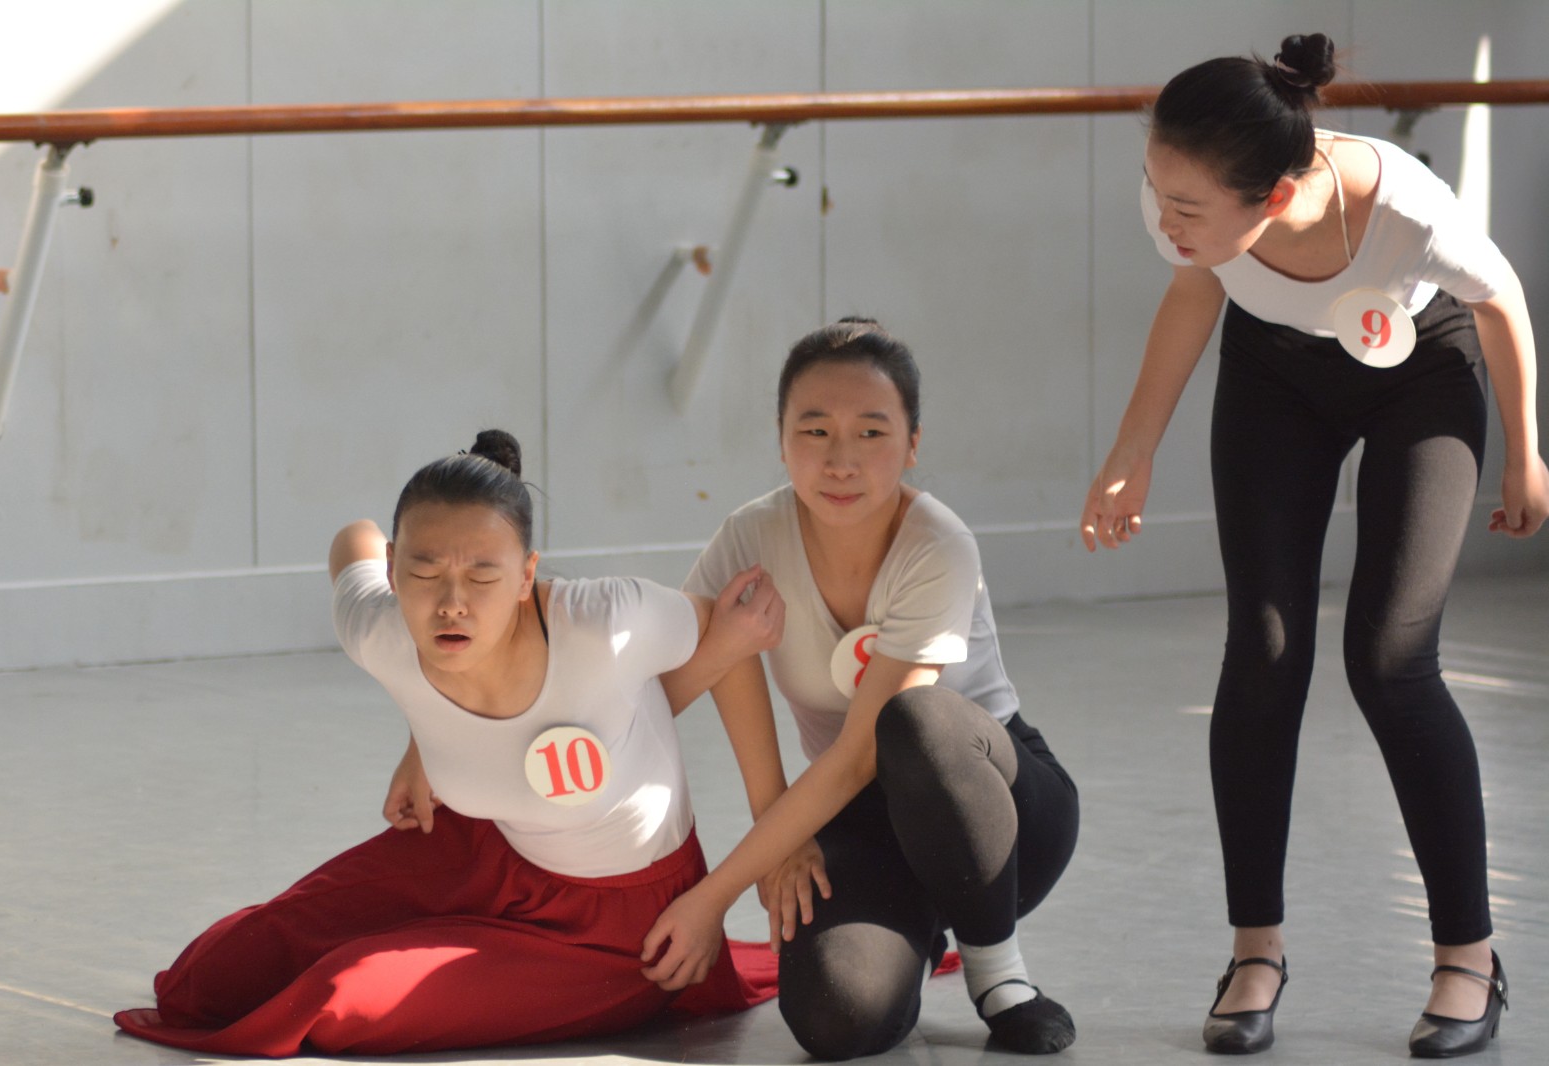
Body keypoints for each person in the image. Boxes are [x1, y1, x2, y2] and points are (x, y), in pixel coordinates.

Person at [1081, 33, 1544, 1058]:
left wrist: (1526, 453)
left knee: (1391, 662)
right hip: (1275, 376)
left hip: (1420, 373)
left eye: (1185, 206)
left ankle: (1468, 959)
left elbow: (1499, 298)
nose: (1163, 218)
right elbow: (1194, 288)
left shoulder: (1404, 209)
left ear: (1280, 194)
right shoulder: (1189, 201)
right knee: (1264, 651)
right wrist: (1130, 451)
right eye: (1156, 190)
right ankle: (1255, 952)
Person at [114, 429, 783, 1056]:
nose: (452, 602)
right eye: (426, 571)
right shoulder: (378, 631)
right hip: (487, 847)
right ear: (392, 568)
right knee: (211, 978)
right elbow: (353, 536)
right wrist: (427, 741)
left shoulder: (604, 621)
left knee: (337, 1000)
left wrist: (765, 834)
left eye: (484, 575)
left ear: (526, 575)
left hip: (626, 929)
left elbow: (734, 633)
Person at [639, 319, 1081, 1058]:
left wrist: (712, 898)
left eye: (871, 433)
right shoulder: (750, 536)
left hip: (997, 815)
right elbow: (666, 695)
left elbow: (856, 756)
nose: (840, 460)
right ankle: (911, 941)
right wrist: (726, 646)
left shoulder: (938, 543)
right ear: (781, 440)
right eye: (814, 431)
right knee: (836, 1017)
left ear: (912, 444)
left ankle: (998, 972)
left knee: (913, 721)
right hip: (863, 819)